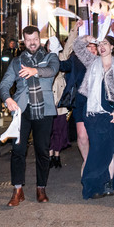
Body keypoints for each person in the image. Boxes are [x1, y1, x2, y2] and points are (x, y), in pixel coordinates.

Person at [0, 25, 59, 206]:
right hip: (22, 111)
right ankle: (18, 190)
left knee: (42, 150)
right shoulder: (16, 62)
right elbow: (4, 84)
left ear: (39, 39)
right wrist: (7, 98)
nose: (32, 43)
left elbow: (53, 70)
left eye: (35, 39)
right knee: (17, 151)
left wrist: (35, 71)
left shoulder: (50, 57)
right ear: (23, 41)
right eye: (28, 40)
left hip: (44, 110)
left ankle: (41, 187)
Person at [73, 34, 114, 199]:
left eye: (105, 43)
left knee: (112, 148)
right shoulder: (92, 62)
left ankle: (108, 183)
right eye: (99, 44)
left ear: (112, 47)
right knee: (99, 149)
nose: (101, 47)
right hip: (94, 111)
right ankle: (95, 184)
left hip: (113, 112)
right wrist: (86, 39)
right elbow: (77, 48)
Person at [58, 21, 95, 174]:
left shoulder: (102, 62)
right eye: (89, 47)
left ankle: (96, 162)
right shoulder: (75, 60)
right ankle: (87, 161)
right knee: (82, 136)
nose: (92, 50)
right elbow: (62, 65)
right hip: (80, 101)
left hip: (98, 103)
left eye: (94, 47)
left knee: (96, 135)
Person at [45, 35, 69, 169]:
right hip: (47, 100)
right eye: (49, 44)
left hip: (60, 99)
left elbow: (69, 46)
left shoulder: (61, 58)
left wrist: (75, 29)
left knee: (59, 129)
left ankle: (57, 155)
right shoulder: (43, 58)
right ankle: (49, 155)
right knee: (49, 130)